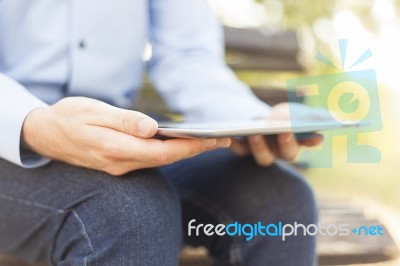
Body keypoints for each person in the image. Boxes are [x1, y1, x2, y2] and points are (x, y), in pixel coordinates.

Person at [0, 0, 322, 265]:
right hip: (10, 132)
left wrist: (255, 121)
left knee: (278, 199)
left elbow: (185, 53)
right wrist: (34, 124)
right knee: (128, 213)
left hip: (119, 123)